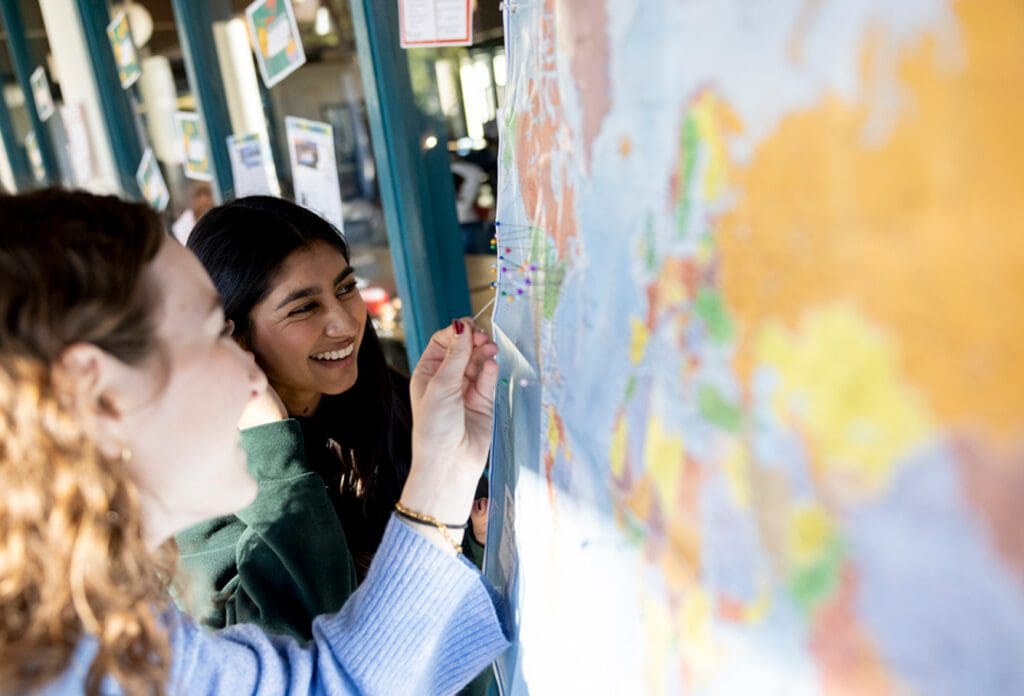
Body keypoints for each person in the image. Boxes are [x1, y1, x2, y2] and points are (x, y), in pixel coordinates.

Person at [0, 189, 508, 694]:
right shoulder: (80, 655)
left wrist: (445, 464)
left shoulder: (115, 635)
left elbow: (334, 683)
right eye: (212, 337)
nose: (249, 373)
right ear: (99, 393)